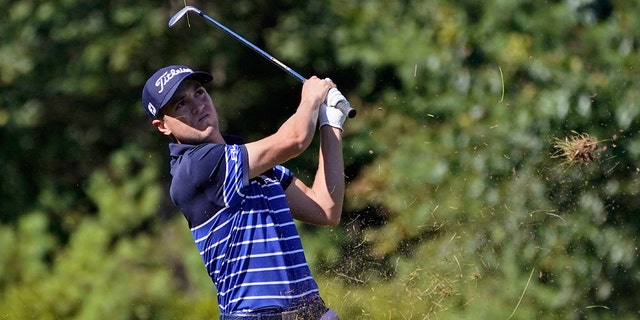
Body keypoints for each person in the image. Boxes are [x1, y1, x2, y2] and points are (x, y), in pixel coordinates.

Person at [142, 65, 348, 319]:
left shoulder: (250, 163)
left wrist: (330, 124)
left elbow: (325, 209)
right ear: (163, 126)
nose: (197, 106)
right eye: (180, 104)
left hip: (311, 312)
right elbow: (294, 139)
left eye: (199, 93)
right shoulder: (195, 167)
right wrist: (311, 98)